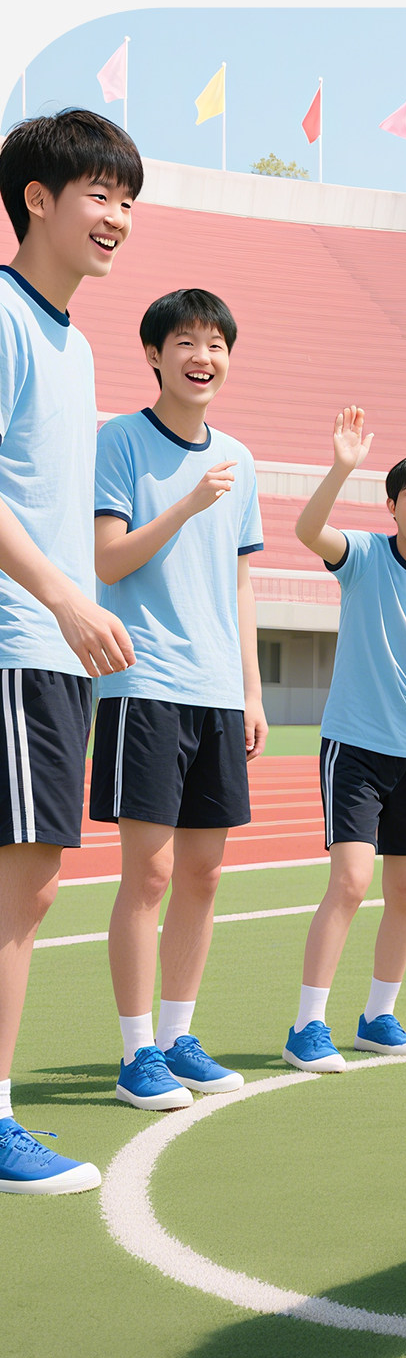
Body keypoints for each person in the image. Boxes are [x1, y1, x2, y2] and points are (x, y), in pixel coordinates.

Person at [0, 110, 141, 1193]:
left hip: (49, 649)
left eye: (127, 201)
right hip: (16, 639)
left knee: (28, 883)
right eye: (100, 194)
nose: (118, 217)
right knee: (23, 885)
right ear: (37, 199)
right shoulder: (4, 316)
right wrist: (60, 598)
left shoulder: (77, 342)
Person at [90, 289, 266, 1111]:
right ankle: (136, 1053)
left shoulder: (240, 457)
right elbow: (109, 559)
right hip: (145, 681)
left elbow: (241, 581)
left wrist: (251, 689)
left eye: (216, 343)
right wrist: (190, 502)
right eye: (186, 342)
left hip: (216, 691)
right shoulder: (120, 440)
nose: (203, 356)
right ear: (154, 355)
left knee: (204, 872)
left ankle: (177, 1036)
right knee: (150, 872)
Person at [284, 413, 406, 1072]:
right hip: (355, 746)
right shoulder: (363, 556)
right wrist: (342, 467)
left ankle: (378, 1016)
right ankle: (307, 1024)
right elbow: (308, 531)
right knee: (350, 880)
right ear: (392, 506)